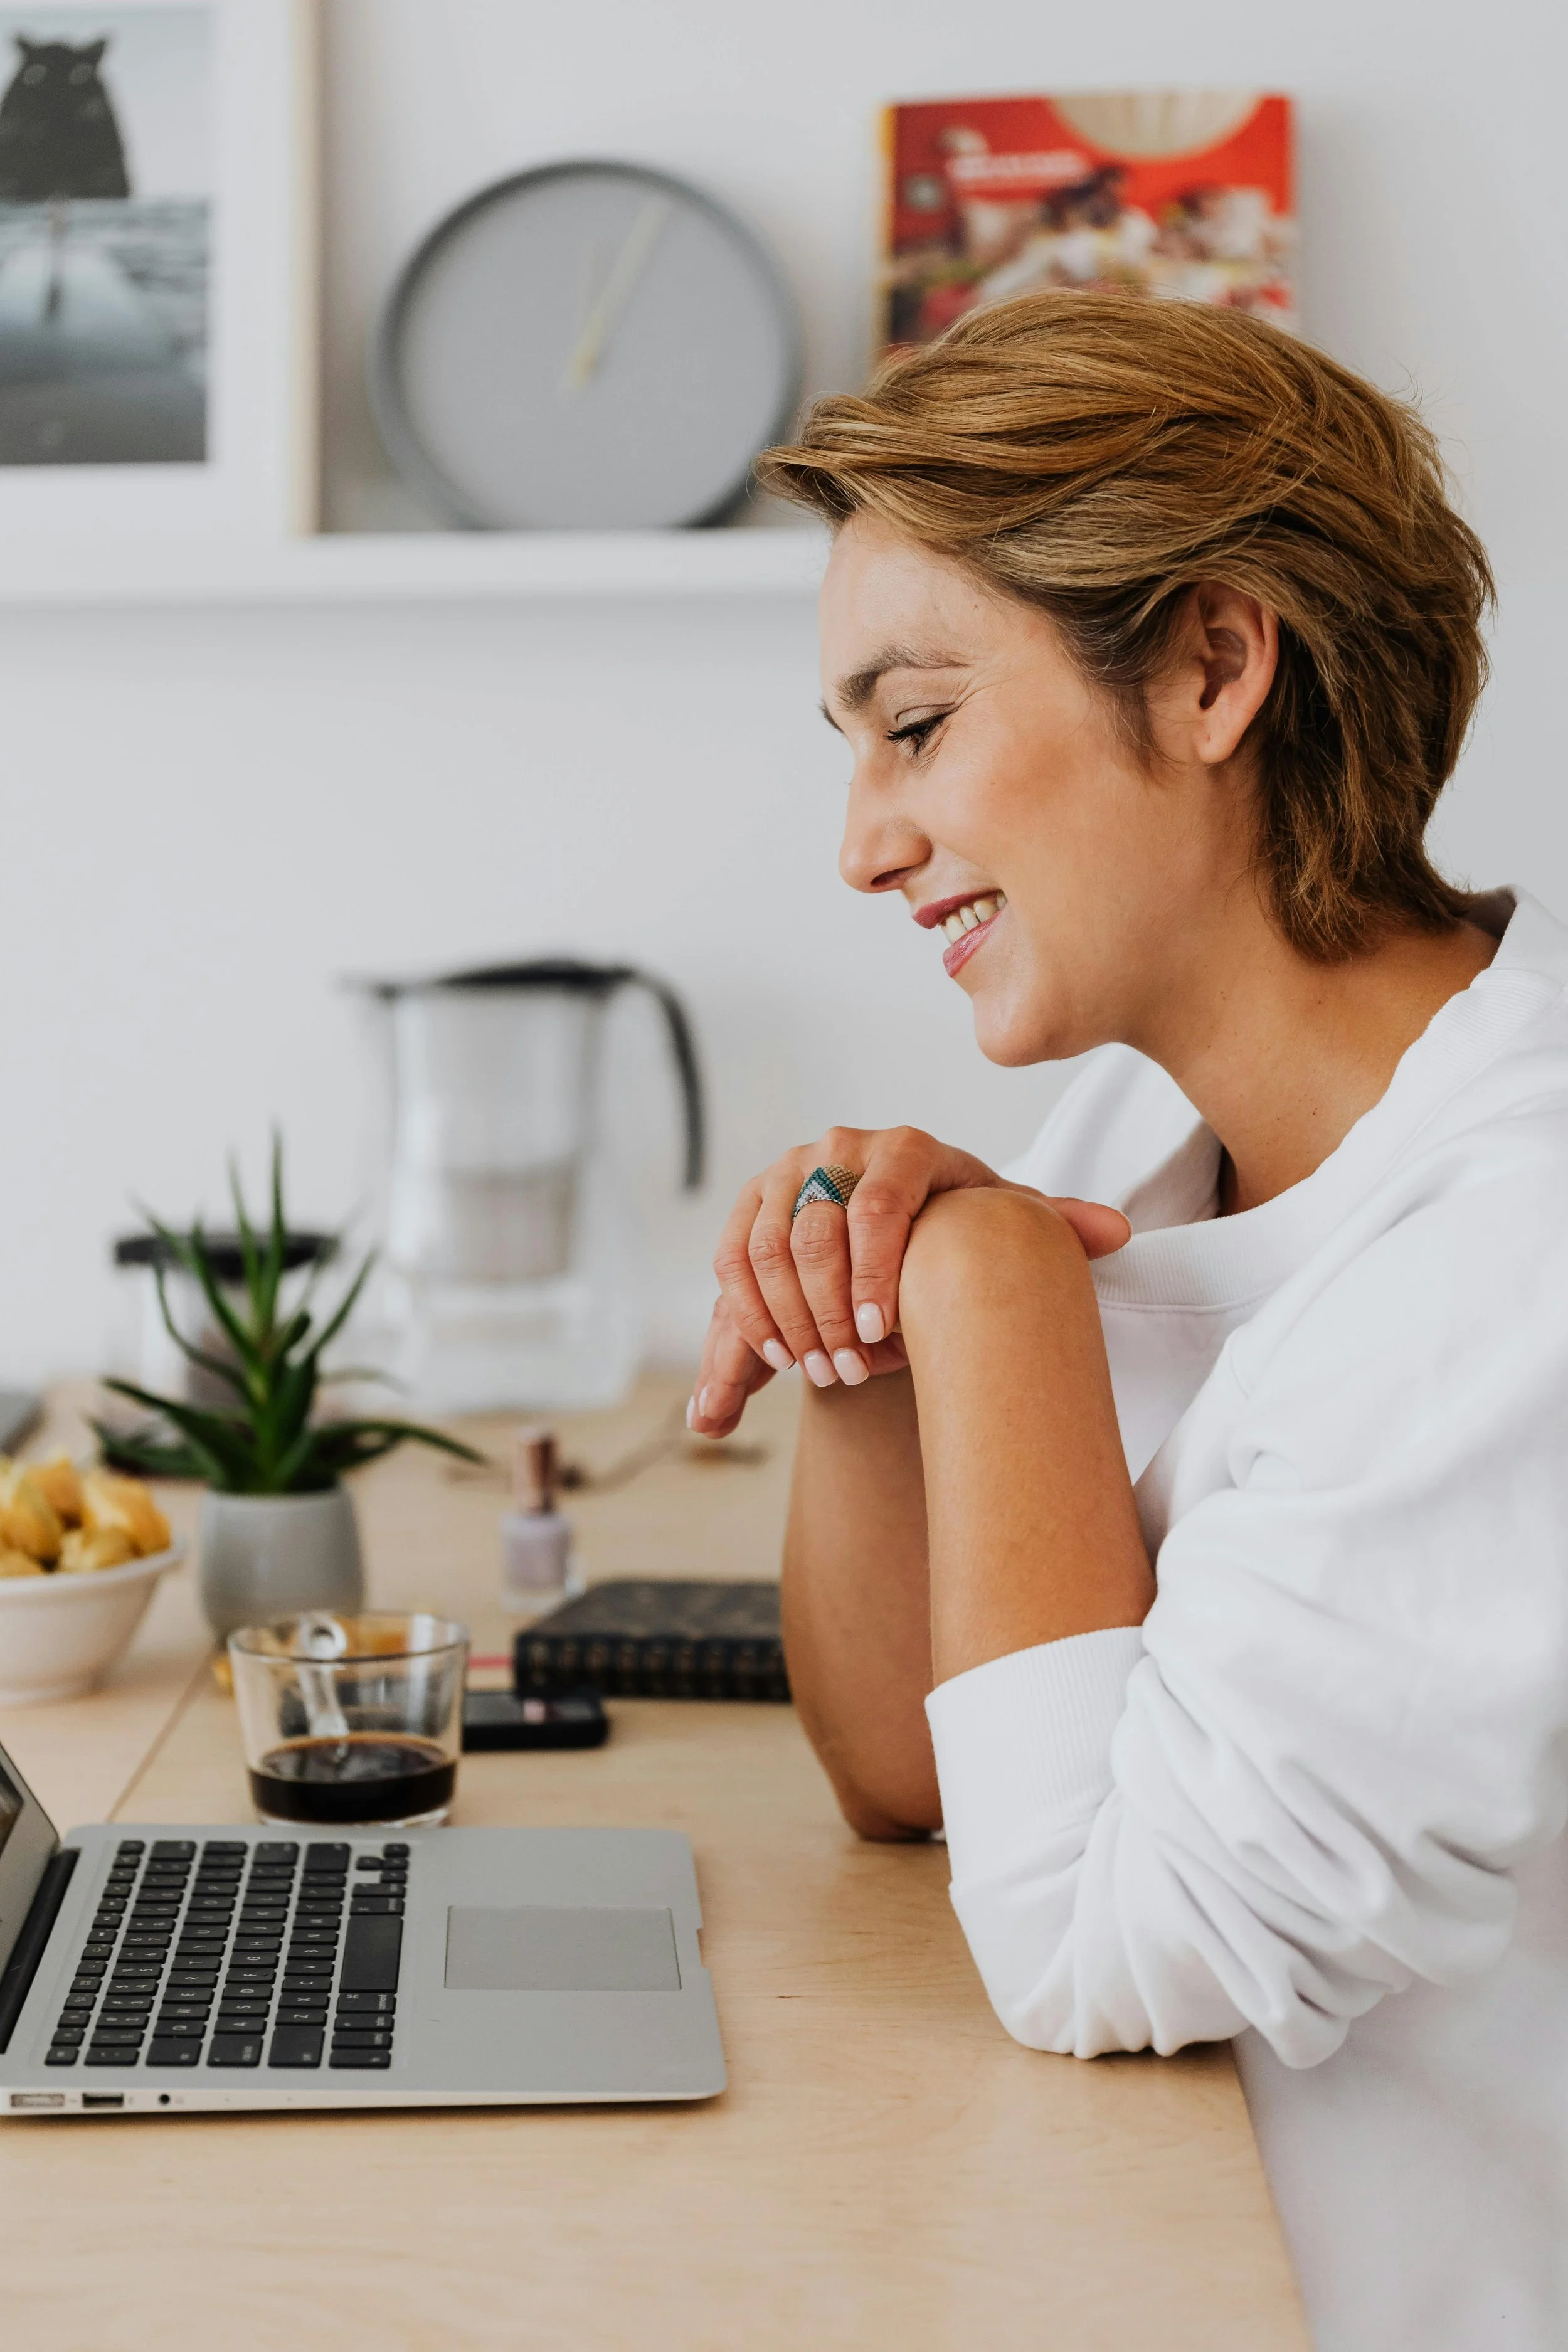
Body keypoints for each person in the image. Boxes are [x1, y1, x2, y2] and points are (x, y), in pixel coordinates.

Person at [686, 291, 1568, 2352]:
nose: (860, 844)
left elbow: (1103, 1947)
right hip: (1114, 2244)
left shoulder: (1505, 1239)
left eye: (913, 727)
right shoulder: (1136, 1114)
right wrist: (861, 1331)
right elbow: (915, 1767)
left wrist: (982, 1280)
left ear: (1206, 663)